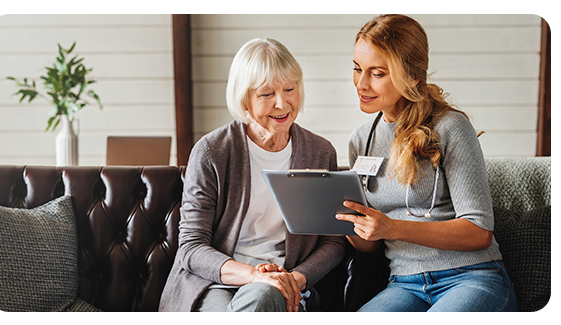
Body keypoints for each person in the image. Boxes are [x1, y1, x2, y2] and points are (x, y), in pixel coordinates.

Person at [335, 14, 517, 312]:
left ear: (412, 75)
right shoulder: (361, 140)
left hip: (471, 278)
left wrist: (392, 227)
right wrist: (343, 221)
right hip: (403, 284)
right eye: (357, 69)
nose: (361, 83)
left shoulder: (450, 127)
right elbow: (372, 245)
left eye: (377, 73)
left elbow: (479, 231)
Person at [159, 38, 346, 312]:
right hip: (216, 281)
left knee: (262, 296)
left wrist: (293, 279)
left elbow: (333, 242)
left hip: (287, 282)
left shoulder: (320, 152)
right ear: (244, 98)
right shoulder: (212, 151)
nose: (282, 104)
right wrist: (254, 275)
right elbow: (191, 247)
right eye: (266, 94)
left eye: (289, 89)